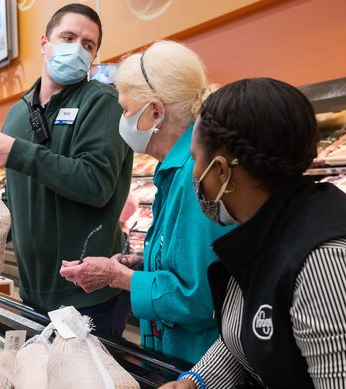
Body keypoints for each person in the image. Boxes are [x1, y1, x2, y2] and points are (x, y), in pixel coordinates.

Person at [140, 78, 346, 389]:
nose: (194, 178)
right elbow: (260, 329)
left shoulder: (329, 262)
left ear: (221, 171)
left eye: (195, 162)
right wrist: (197, 383)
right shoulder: (269, 224)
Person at [60, 41, 230, 364]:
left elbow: (198, 299)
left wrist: (117, 277)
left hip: (200, 370)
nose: (121, 120)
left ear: (155, 111)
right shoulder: (175, 169)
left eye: (125, 109)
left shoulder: (194, 176)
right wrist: (140, 266)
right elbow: (185, 264)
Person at [0, 3, 132, 340]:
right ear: (45, 43)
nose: (77, 48)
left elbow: (96, 183)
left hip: (88, 296)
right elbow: (15, 193)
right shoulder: (18, 114)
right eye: (68, 37)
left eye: (88, 45)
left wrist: (20, 152)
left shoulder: (101, 103)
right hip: (32, 292)